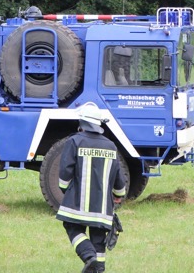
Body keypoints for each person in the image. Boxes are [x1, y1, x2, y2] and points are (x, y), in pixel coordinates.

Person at [56, 104, 126, 273]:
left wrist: (65, 189)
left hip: (78, 204)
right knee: (98, 238)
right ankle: (98, 269)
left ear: (82, 122)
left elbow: (65, 172)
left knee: (72, 227)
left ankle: (89, 257)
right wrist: (119, 194)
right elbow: (119, 176)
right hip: (102, 208)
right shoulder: (111, 146)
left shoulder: (75, 141)